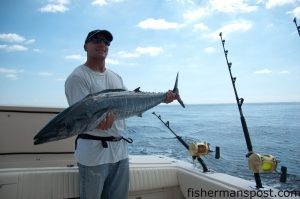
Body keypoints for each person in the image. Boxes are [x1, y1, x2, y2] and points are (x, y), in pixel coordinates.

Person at [65, 29, 176, 199]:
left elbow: (131, 104)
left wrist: (163, 98)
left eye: (106, 42)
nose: (102, 44)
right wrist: (98, 121)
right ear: (85, 46)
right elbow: (81, 118)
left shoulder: (116, 77)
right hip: (93, 155)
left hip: (120, 152)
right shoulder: (78, 77)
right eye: (96, 40)